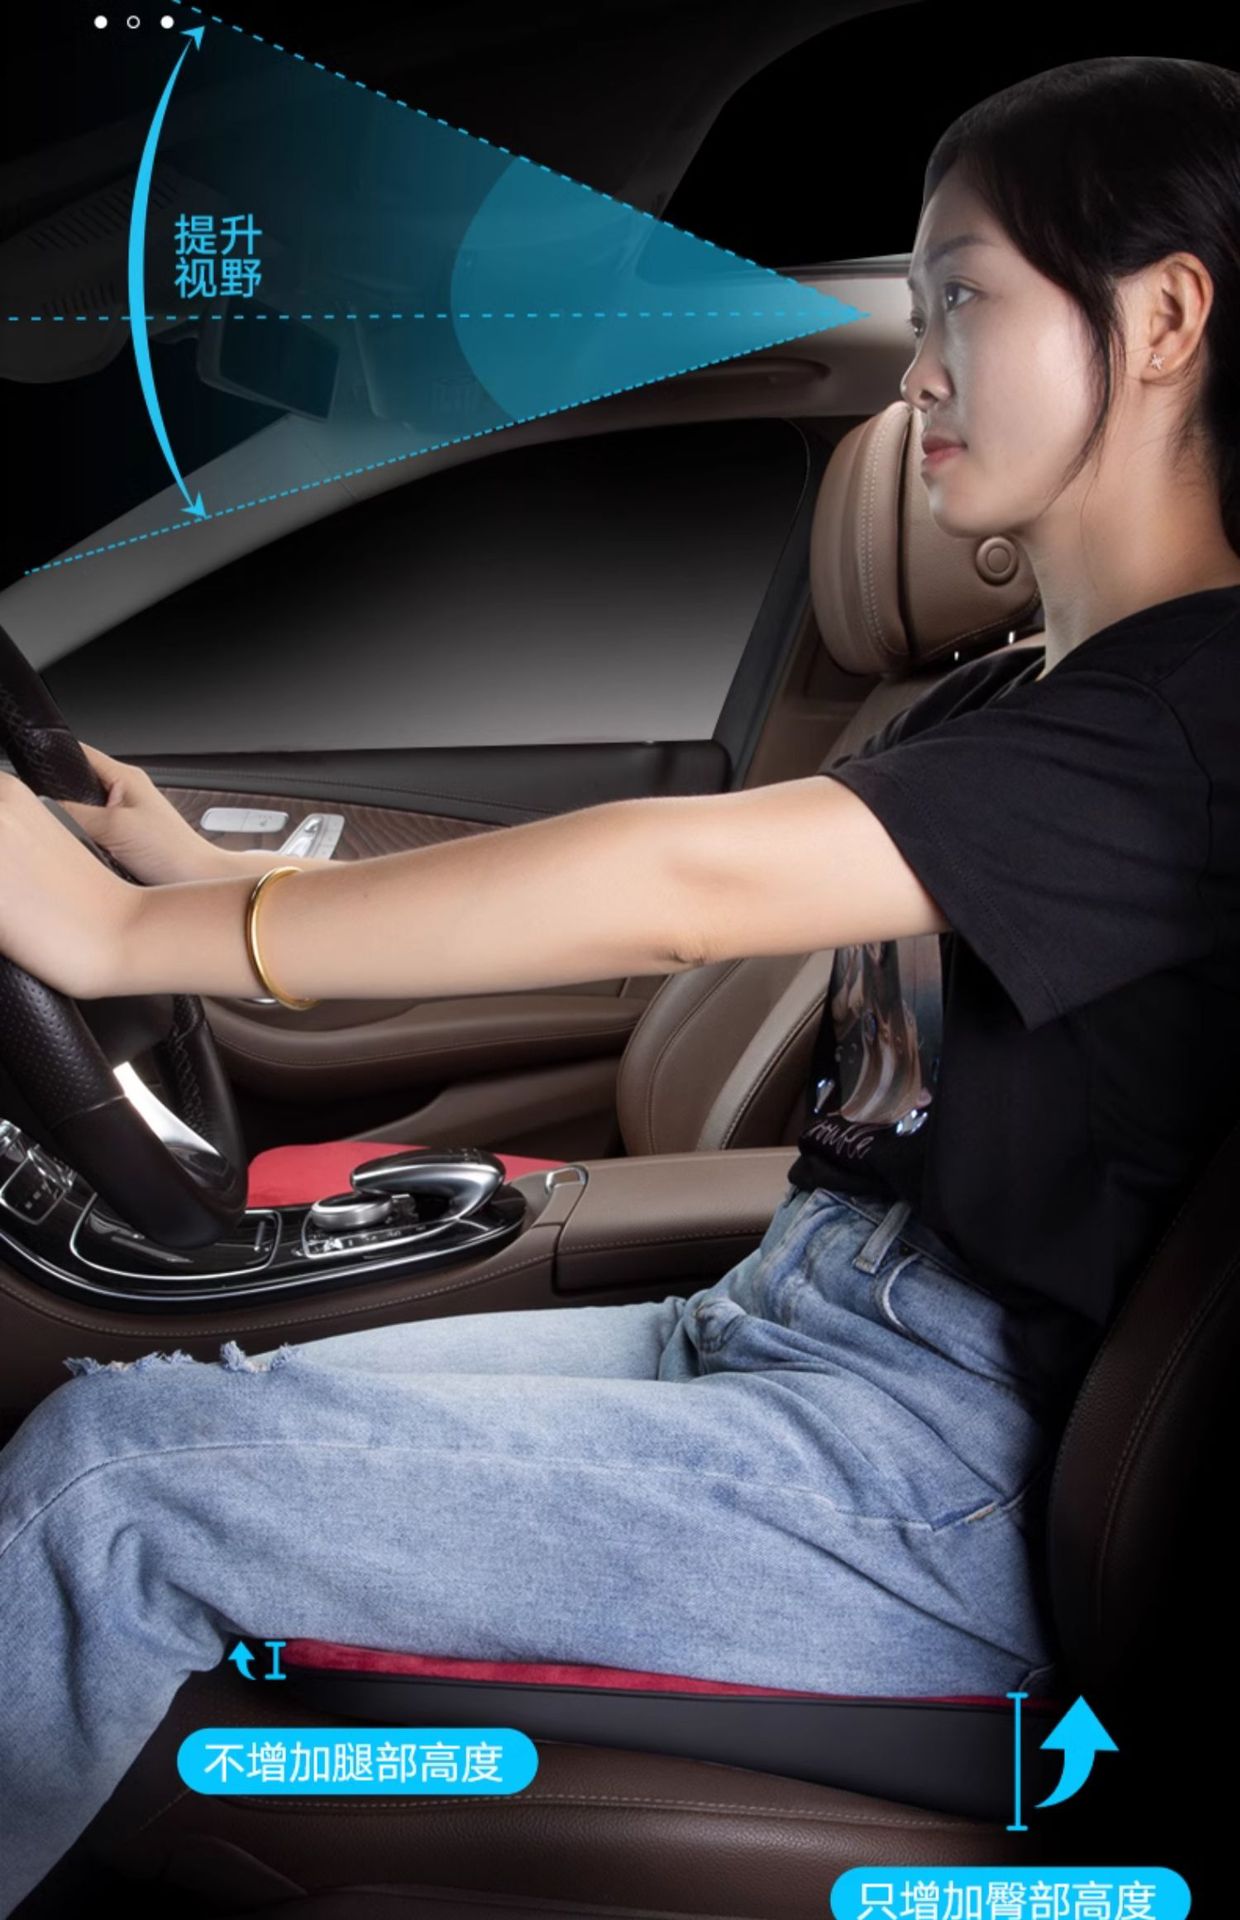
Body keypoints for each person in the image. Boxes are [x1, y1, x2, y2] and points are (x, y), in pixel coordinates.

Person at [2, 51, 1240, 1914]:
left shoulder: (1200, 722)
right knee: (147, 1406)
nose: (915, 374)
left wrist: (117, 941)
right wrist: (193, 870)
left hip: (933, 1478)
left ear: (1160, 319)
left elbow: (676, 887)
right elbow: (648, 886)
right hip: (781, 1324)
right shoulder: (1015, 706)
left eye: (963, 300)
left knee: (108, 1485)